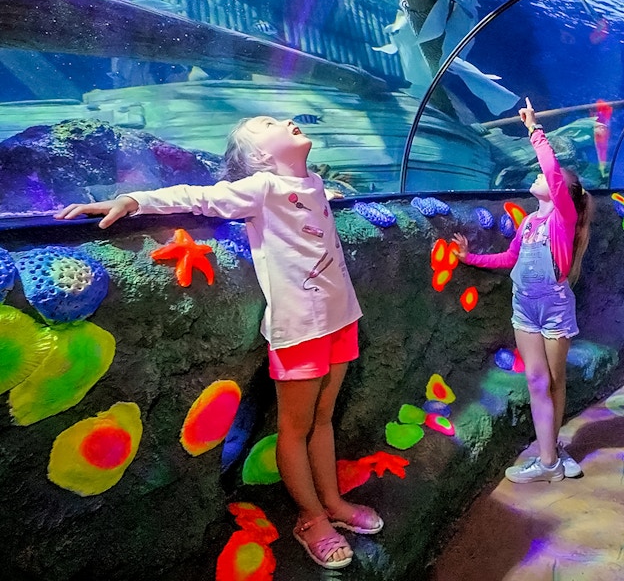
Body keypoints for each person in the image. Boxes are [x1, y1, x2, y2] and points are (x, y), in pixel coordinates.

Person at [54, 116, 381, 570]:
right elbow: (197, 197)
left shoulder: (312, 182)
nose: (285, 119)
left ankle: (333, 502)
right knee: (296, 427)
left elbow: (308, 207)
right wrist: (133, 199)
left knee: (324, 419)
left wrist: (327, 196)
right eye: (268, 123)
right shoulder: (261, 188)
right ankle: (310, 518)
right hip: (301, 329)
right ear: (260, 159)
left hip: (342, 319)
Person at [452, 98, 594, 484]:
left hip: (555, 308)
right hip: (524, 308)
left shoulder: (563, 220)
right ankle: (550, 458)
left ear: (562, 190)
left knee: (554, 379)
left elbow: (549, 165)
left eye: (550, 176)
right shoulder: (530, 220)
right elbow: (510, 259)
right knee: (537, 380)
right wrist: (471, 259)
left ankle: (550, 454)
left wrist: (534, 128)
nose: (541, 175)